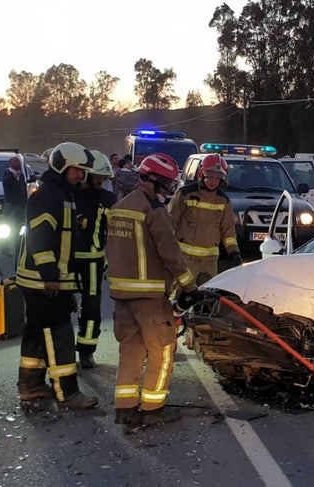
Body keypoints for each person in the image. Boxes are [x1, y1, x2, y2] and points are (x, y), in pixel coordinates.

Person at [106, 152, 202, 427]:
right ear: (156, 181)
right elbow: (169, 253)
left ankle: (125, 408)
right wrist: (189, 286)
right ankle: (153, 408)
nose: (170, 190)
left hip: (122, 295)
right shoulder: (153, 210)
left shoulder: (120, 206)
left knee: (131, 350)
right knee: (163, 349)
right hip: (149, 296)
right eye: (169, 184)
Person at [14, 142, 99, 409]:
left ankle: (31, 385)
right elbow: (40, 239)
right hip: (44, 280)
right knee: (60, 333)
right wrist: (51, 275)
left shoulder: (60, 194)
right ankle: (68, 393)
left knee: (37, 332)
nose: (81, 176)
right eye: (77, 170)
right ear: (62, 166)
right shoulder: (48, 196)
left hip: (43, 278)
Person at [73, 150, 117, 369]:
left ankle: (86, 350)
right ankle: (60, 350)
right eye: (98, 176)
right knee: (61, 305)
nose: (102, 181)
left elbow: (115, 232)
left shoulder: (108, 200)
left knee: (91, 309)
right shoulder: (68, 195)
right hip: (67, 261)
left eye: (104, 177)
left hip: (93, 261)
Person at [168, 154, 240, 284]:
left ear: (222, 179)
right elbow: (170, 222)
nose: (213, 181)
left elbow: (228, 230)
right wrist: (168, 250)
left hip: (209, 262)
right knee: (178, 295)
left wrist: (233, 252)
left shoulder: (224, 201)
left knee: (207, 297)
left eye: (217, 177)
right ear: (201, 174)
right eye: (209, 175)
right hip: (185, 259)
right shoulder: (185, 194)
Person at [1, 155, 29, 257]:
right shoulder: (7, 173)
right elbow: (5, 183)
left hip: (21, 205)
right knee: (7, 227)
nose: (18, 164)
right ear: (11, 163)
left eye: (19, 162)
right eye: (16, 162)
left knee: (21, 227)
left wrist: (26, 201)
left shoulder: (21, 175)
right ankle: (5, 248)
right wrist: (13, 176)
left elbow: (23, 188)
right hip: (10, 205)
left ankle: (19, 248)